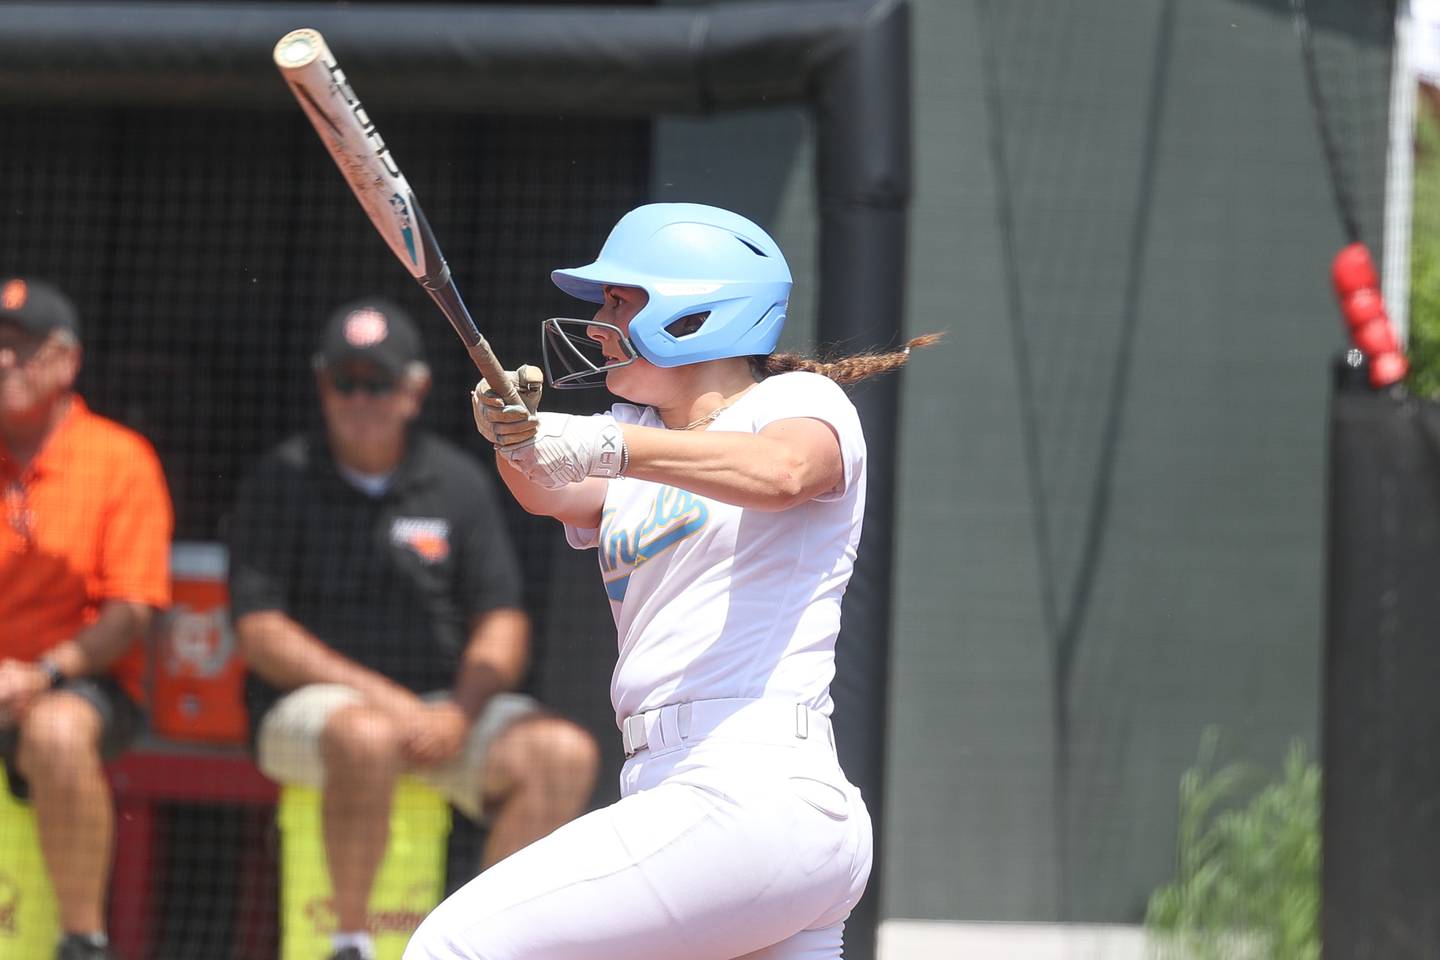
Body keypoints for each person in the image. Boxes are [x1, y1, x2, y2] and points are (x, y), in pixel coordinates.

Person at [406, 203, 935, 960]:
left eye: (621, 301)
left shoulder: (794, 402)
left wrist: (606, 440)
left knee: (452, 946)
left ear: (701, 313)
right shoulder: (644, 442)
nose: (597, 324)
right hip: (693, 799)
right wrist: (514, 432)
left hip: (749, 786)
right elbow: (545, 488)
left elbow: (783, 472)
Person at [228, 299, 600, 960]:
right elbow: (260, 633)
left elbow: (503, 620)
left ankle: (489, 945)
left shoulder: (457, 482)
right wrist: (385, 700)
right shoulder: (280, 478)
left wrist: (460, 711)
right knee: (365, 734)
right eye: (347, 381)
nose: (362, 398)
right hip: (311, 714)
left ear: (416, 390)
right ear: (323, 385)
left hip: (440, 712)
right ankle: (350, 944)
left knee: (563, 754)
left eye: (380, 382)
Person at [0, 276, 174, 960]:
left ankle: (82, 939)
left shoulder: (119, 458)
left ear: (67, 361)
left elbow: (132, 613)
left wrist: (42, 674)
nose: (3, 362)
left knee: (60, 730)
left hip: (82, 682)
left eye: (20, 348)